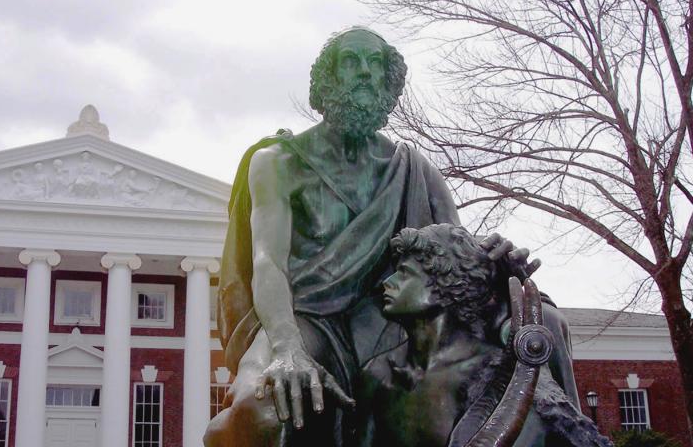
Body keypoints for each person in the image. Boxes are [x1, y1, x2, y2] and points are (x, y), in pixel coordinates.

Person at [204, 27, 548, 447]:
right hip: (302, 320)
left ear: (390, 83)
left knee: (539, 324)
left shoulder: (414, 170)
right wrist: (287, 347)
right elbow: (266, 262)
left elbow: (455, 259)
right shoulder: (278, 164)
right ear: (327, 79)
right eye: (351, 62)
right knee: (263, 411)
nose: (365, 73)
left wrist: (496, 264)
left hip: (390, 326)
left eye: (376, 64)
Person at [355, 224, 608, 447]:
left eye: (405, 273)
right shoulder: (377, 374)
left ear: (444, 283)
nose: (386, 282)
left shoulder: (500, 374)